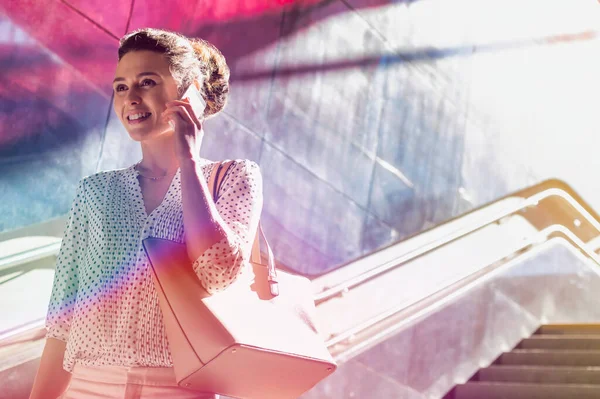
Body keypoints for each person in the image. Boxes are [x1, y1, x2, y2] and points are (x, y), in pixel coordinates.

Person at [29, 27, 263, 399]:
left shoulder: (233, 177)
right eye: (121, 87)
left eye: (147, 82)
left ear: (189, 95)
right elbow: (62, 323)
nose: (131, 98)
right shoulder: (96, 191)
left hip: (179, 388)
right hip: (88, 386)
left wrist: (188, 160)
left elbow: (218, 272)